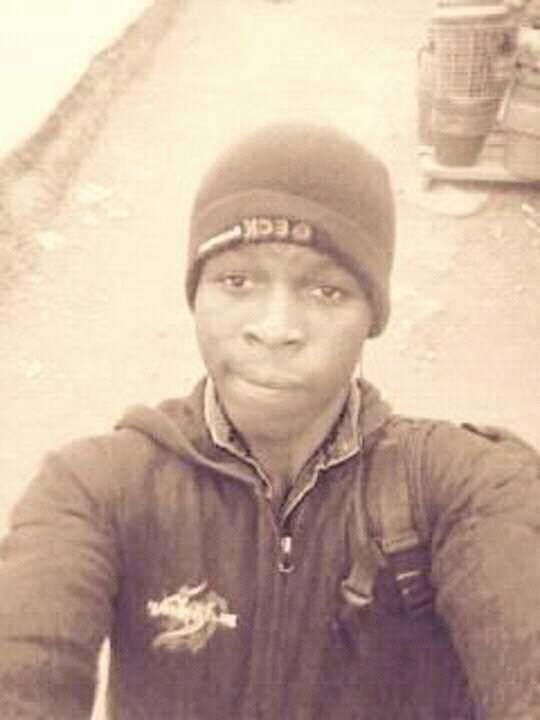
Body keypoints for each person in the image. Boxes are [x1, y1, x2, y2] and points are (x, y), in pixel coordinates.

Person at [0, 123, 539, 720]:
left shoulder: (468, 486)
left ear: (372, 316)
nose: (276, 328)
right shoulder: (95, 488)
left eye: (326, 291)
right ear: (197, 295)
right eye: (237, 281)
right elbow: (24, 665)